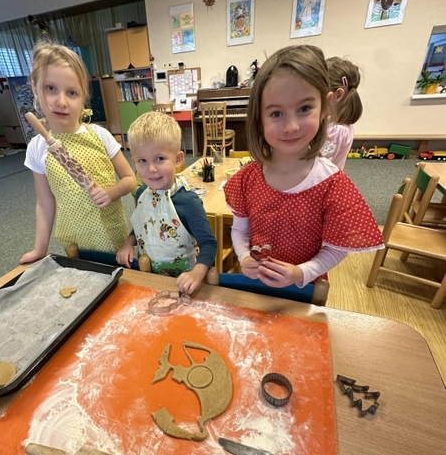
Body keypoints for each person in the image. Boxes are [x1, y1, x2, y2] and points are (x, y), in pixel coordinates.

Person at [223, 45, 384, 290]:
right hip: (257, 287)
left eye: (304, 109)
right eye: (276, 113)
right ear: (259, 118)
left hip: (305, 289)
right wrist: (244, 257)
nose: (291, 126)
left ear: (325, 107)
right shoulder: (247, 178)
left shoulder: (332, 183)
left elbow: (336, 249)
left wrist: (301, 273)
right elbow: (240, 230)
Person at [20, 42, 136, 264]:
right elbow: (44, 203)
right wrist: (39, 249)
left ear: (83, 97)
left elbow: (130, 179)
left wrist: (110, 193)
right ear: (35, 88)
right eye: (50, 88)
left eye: (72, 92)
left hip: (112, 233)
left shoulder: (100, 135)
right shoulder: (37, 147)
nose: (61, 101)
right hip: (74, 238)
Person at [116, 111, 217, 294]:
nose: (151, 169)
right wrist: (128, 243)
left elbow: (209, 243)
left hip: (183, 283)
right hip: (149, 278)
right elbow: (143, 225)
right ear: (134, 162)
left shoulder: (189, 202)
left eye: (160, 159)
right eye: (142, 161)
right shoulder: (141, 194)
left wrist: (197, 273)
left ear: (178, 159)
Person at [321, 57, 363, 170]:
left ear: (338, 95)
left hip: (324, 179)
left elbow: (319, 165)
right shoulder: (331, 121)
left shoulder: (337, 131)